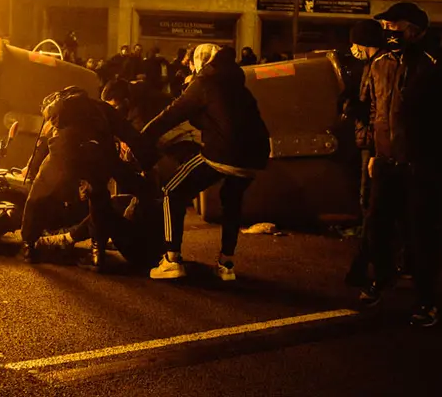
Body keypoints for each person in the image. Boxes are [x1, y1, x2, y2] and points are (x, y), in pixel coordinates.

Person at [358, 2, 442, 328]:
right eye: (386, 27)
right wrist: (375, 151)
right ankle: (382, 277)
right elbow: (376, 109)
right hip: (387, 161)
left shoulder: (438, 63)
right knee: (377, 224)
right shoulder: (380, 63)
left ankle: (427, 299)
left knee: (422, 232)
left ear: (414, 29)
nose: (389, 32)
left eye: (395, 26)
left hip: (424, 163)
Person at [140, 44, 271, 281]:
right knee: (232, 201)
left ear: (201, 61)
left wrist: (139, 140)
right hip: (255, 155)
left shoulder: (204, 82)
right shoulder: (236, 82)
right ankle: (226, 265)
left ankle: (171, 260)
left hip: (224, 153)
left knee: (172, 190)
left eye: (193, 63)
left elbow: (170, 115)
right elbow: (217, 119)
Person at [21, 87, 151, 270]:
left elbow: (43, 147)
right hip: (100, 152)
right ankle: (97, 255)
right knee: (99, 198)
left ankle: (29, 246)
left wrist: (32, 170)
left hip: (64, 153)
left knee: (39, 192)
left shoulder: (56, 117)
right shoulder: (100, 108)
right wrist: (149, 162)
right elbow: (131, 134)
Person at [342, 19, 385, 289]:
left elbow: (378, 110)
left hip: (373, 145)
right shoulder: (371, 65)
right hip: (369, 142)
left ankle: (370, 265)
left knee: (371, 204)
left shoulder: (379, 66)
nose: (353, 49)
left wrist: (356, 109)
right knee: (370, 204)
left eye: (354, 43)